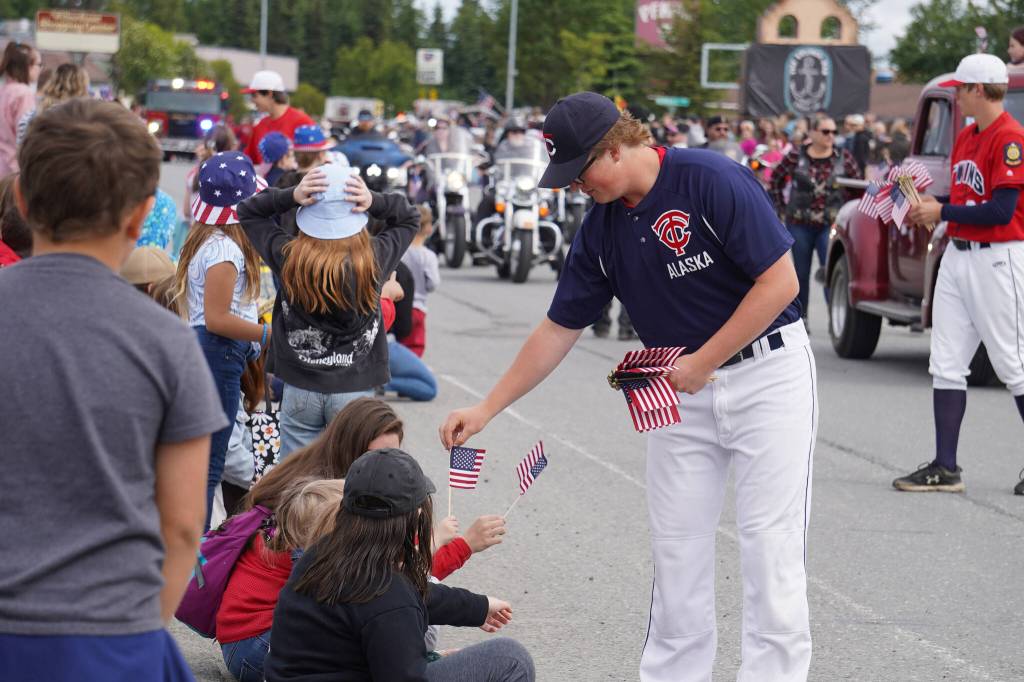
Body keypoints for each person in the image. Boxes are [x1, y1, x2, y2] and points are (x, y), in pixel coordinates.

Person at [440, 92, 816, 682]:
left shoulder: (712, 179)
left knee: (770, 548)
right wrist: (488, 407)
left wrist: (703, 361)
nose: (573, 187)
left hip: (766, 375)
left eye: (579, 171)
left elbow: (779, 283)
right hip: (678, 390)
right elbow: (558, 328)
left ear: (614, 147)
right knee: (678, 550)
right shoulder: (601, 228)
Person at [0, 99, 226, 680]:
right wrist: (141, 627)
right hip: (108, 636)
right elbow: (182, 525)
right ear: (142, 215)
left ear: (23, 201)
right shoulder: (168, 345)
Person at [263, 448, 534, 682]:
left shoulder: (322, 555)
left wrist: (479, 607)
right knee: (511, 658)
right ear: (414, 516)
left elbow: (412, 594)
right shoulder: (387, 596)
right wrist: (429, 661)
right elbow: (399, 614)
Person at [892, 54, 1024, 495]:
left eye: (963, 89)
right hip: (958, 256)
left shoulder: (1010, 138)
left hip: (998, 258)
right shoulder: (968, 135)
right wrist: (928, 203)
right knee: (946, 363)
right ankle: (945, 467)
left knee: (1014, 365)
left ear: (980, 90)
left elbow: (1003, 210)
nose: (959, 96)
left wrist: (943, 209)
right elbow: (965, 195)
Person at [237, 162, 418, 456]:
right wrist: (375, 201)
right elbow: (409, 218)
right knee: (348, 478)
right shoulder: (374, 259)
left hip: (300, 385)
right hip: (354, 388)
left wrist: (290, 195)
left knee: (297, 479)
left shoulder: (289, 257)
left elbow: (248, 211)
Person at [174, 151, 269, 528]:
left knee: (205, 461)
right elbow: (217, 319)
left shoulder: (206, 242)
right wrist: (266, 333)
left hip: (209, 355)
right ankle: (194, 549)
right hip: (220, 356)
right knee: (211, 464)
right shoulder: (226, 251)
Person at [219, 477, 345, 682]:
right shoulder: (303, 550)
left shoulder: (283, 530)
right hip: (253, 647)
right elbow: (318, 609)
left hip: (240, 641)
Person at [770, 116, 861, 326]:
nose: (831, 136)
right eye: (825, 131)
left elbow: (856, 187)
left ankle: (835, 319)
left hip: (829, 225)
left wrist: (845, 211)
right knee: (800, 274)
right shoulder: (796, 156)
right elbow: (775, 178)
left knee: (829, 270)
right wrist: (780, 209)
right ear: (813, 134)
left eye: (833, 132)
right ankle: (801, 319)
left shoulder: (843, 158)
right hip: (799, 223)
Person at [242, 70, 314, 164]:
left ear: (269, 94)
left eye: (254, 95)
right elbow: (248, 162)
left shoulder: (303, 122)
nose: (252, 100)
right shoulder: (259, 126)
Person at [399, 205, 441, 357]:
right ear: (428, 228)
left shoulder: (400, 251)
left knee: (399, 343)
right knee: (415, 347)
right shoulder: (428, 256)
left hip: (399, 305)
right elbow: (433, 283)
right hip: (418, 306)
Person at [16, 62, 89, 147]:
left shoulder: (30, 115)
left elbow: (21, 146)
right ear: (82, 87)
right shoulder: (80, 119)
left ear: (52, 82)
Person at [0, 42, 41, 177]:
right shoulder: (23, 94)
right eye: (38, 64)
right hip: (14, 170)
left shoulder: (4, 90)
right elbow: (25, 136)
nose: (40, 69)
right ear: (26, 66)